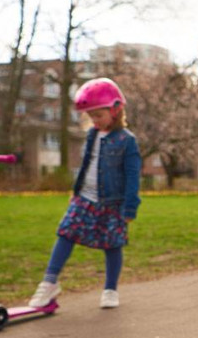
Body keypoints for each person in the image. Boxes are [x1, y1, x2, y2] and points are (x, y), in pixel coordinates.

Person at [28, 78, 141, 310]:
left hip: (112, 203)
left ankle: (110, 289)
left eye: (99, 115)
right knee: (65, 233)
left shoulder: (127, 141)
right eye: (91, 116)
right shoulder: (92, 135)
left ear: (116, 110)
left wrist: (130, 208)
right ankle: (49, 283)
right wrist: (76, 191)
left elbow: (132, 176)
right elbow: (87, 165)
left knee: (112, 245)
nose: (95, 121)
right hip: (85, 199)